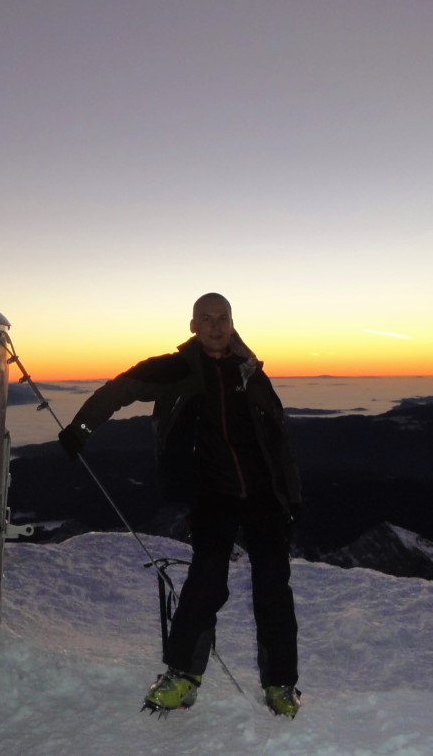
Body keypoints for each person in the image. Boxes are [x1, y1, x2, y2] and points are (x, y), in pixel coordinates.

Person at [58, 293, 302, 717]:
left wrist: (291, 497)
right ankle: (183, 677)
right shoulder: (177, 369)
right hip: (212, 494)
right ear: (193, 326)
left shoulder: (251, 371)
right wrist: (81, 427)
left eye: (222, 318)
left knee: (274, 588)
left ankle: (280, 683)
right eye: (206, 318)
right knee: (206, 581)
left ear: (232, 322)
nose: (215, 326)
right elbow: (121, 388)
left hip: (265, 496)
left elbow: (277, 441)